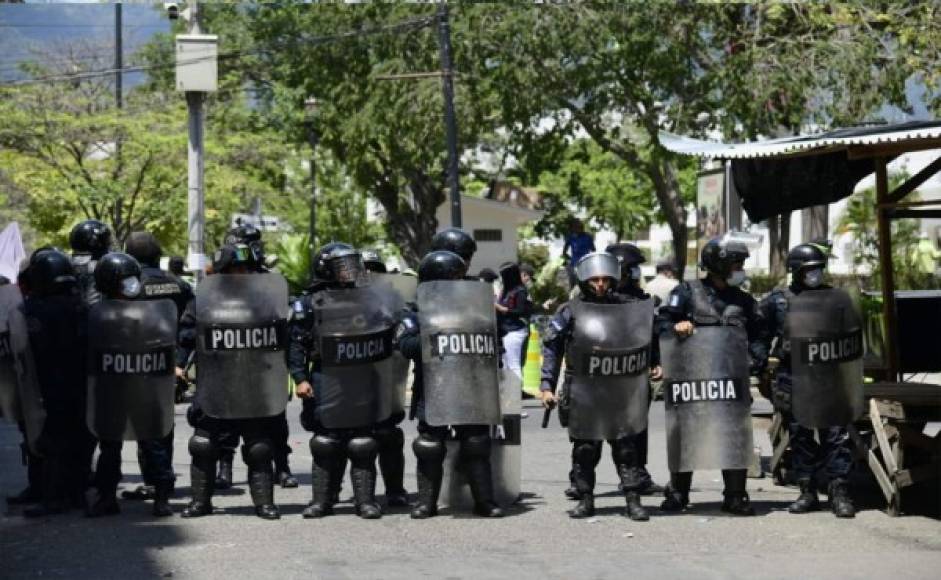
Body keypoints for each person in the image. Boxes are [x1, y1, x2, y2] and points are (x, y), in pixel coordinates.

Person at [539, 252, 660, 520]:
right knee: (585, 448)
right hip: (583, 388)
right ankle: (585, 499)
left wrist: (655, 361)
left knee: (626, 447)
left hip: (619, 388)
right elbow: (552, 347)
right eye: (595, 280)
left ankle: (633, 499)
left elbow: (647, 335)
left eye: (606, 279)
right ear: (584, 280)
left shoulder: (627, 307)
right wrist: (547, 386)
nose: (601, 285)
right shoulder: (569, 311)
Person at [657, 234, 768, 516]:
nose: (740, 268)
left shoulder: (743, 301)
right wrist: (677, 327)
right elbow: (661, 322)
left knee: (734, 434)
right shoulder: (686, 292)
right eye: (736, 263)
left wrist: (757, 359)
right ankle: (678, 494)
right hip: (691, 380)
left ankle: (735, 496)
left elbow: (758, 335)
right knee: (686, 434)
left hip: (730, 382)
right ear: (717, 265)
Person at [178, 243, 289, 520]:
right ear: (223, 271)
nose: (241, 274)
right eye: (235, 269)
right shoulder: (202, 301)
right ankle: (200, 502)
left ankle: (264, 503)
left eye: (246, 269)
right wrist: (179, 363)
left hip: (253, 382)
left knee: (259, 446)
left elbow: (282, 338)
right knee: (203, 444)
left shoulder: (265, 300)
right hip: (216, 382)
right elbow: (185, 335)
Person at [397, 250, 505, 519]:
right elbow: (406, 346)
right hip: (434, 389)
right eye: (451, 279)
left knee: (476, 443)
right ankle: (426, 503)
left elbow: (494, 341)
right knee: (430, 446)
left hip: (471, 386)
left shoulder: (474, 306)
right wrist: (436, 330)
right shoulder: (415, 310)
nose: (457, 283)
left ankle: (485, 501)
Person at [290, 243, 393, 519]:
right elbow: (296, 344)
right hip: (328, 375)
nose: (351, 271)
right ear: (326, 270)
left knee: (363, 442)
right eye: (343, 266)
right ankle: (322, 501)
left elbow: (387, 331)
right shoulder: (310, 303)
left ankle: (366, 502)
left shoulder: (369, 298)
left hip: (362, 375)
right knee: (326, 441)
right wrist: (299, 378)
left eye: (353, 264)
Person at [759, 243, 858, 518]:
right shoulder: (777, 301)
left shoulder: (835, 299)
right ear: (795, 271)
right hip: (795, 375)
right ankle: (808, 491)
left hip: (829, 375)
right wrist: (760, 366)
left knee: (836, 436)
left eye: (818, 269)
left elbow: (852, 333)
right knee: (800, 435)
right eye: (808, 270)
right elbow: (759, 333)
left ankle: (840, 493)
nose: (815, 274)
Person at [84, 252, 178, 517]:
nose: (130, 286)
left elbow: (165, 347)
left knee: (153, 442)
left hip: (144, 388)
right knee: (110, 445)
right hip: (112, 389)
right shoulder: (96, 314)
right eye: (123, 281)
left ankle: (161, 495)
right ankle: (106, 497)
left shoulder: (150, 311)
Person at [213, 224, 298, 491]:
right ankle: (224, 467)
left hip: (264, 361)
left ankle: (282, 467)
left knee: (274, 419)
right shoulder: (219, 283)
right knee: (227, 419)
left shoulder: (269, 281)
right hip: (231, 359)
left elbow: (282, 321)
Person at [120, 232, 193, 506]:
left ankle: (156, 482)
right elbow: (189, 329)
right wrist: (180, 363)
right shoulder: (179, 285)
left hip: (139, 363)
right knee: (163, 422)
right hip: (171, 364)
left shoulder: (131, 287)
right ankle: (162, 480)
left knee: (145, 426)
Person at [21, 249, 92, 518]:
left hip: (52, 384)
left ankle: (52, 498)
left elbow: (32, 348)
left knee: (53, 441)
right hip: (81, 382)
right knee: (79, 438)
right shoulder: (81, 305)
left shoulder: (37, 309)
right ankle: (76, 494)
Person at [359, 247, 410, 507]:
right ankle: (347, 493)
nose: (369, 275)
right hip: (355, 376)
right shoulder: (346, 298)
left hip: (388, 372)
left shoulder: (393, 298)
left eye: (374, 270)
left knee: (389, 434)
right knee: (355, 440)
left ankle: (395, 489)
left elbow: (407, 324)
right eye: (364, 270)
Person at [495, 262, 532, 386]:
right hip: (505, 330)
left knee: (513, 364)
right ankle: (510, 394)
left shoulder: (520, 291)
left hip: (514, 330)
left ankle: (515, 393)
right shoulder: (506, 290)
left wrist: (501, 309)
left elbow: (520, 311)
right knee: (506, 365)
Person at [69, 219, 113, 307]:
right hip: (97, 315)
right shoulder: (102, 265)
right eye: (106, 239)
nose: (109, 243)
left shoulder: (64, 262)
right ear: (95, 241)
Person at [562, 219, 595, 288]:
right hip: (574, 265)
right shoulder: (571, 238)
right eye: (575, 228)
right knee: (574, 286)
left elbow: (593, 250)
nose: (577, 229)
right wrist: (570, 260)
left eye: (579, 227)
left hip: (586, 265)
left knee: (586, 285)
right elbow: (564, 253)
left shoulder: (588, 237)